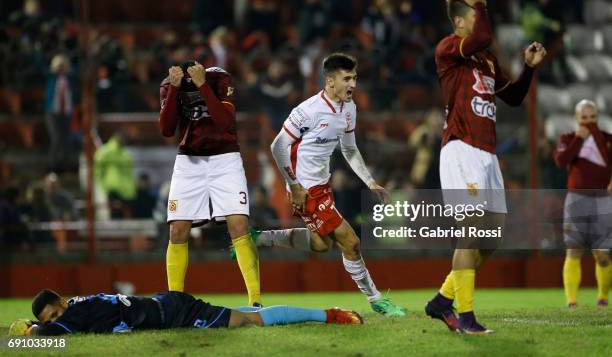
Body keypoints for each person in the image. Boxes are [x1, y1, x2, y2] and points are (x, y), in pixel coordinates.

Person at [424, 0, 546, 334]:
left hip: (487, 155)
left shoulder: (487, 59)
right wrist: (481, 5)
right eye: (474, 16)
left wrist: (528, 69)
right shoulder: (449, 49)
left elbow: (514, 97)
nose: (480, 23)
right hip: (461, 148)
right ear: (460, 22)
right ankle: (466, 319)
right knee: (471, 234)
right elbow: (484, 35)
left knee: (491, 239)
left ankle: (441, 301)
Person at [263, 53, 406, 317]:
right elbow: (278, 146)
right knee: (350, 241)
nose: (352, 84)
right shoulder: (307, 110)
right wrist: (294, 185)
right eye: (347, 79)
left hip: (322, 184)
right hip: (305, 188)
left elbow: (349, 150)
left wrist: (371, 181)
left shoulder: (349, 109)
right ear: (330, 81)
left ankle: (260, 237)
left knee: (321, 245)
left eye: (355, 78)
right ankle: (377, 301)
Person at [159, 61, 261, 306]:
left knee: (239, 226)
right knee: (177, 230)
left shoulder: (219, 79)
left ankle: (255, 301)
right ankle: (176, 301)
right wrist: (174, 89)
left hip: (225, 159)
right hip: (188, 161)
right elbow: (166, 129)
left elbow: (226, 122)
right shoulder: (168, 84)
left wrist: (203, 85)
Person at [8, 289, 362, 336]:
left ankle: (329, 315)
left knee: (251, 320)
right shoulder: (80, 305)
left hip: (174, 313)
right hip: (166, 305)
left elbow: (46, 339)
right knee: (241, 313)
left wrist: (25, 335)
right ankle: (328, 313)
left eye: (54, 315)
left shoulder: (75, 315)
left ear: (63, 306)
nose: (55, 322)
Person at [554, 100, 611, 308]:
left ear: (598, 118)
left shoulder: (606, 139)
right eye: (584, 118)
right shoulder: (568, 138)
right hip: (576, 199)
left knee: (602, 254)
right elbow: (560, 161)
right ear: (576, 119)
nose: (589, 122)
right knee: (574, 250)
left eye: (592, 118)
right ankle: (571, 301)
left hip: (603, 200)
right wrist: (578, 139)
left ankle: (603, 298)